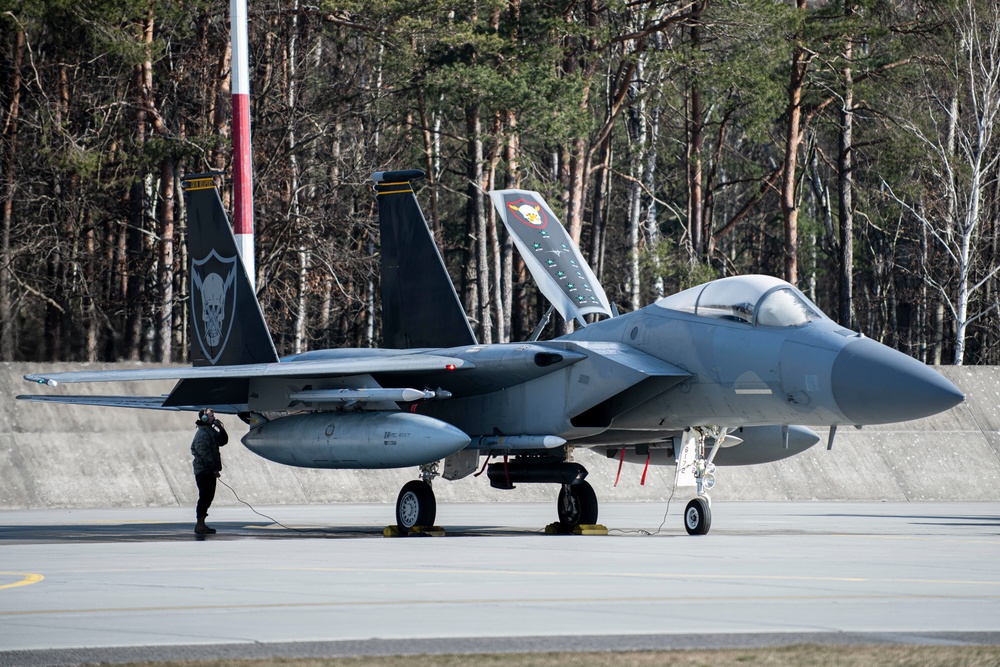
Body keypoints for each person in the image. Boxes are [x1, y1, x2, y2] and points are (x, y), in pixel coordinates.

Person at [191, 407, 228, 534]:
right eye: (211, 416)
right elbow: (204, 454)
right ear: (204, 418)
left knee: (208, 496)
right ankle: (200, 524)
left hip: (209, 471)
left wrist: (220, 428)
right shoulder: (202, 434)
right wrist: (213, 469)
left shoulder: (210, 432)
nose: (214, 417)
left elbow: (223, 441)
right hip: (203, 471)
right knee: (205, 497)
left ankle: (201, 523)